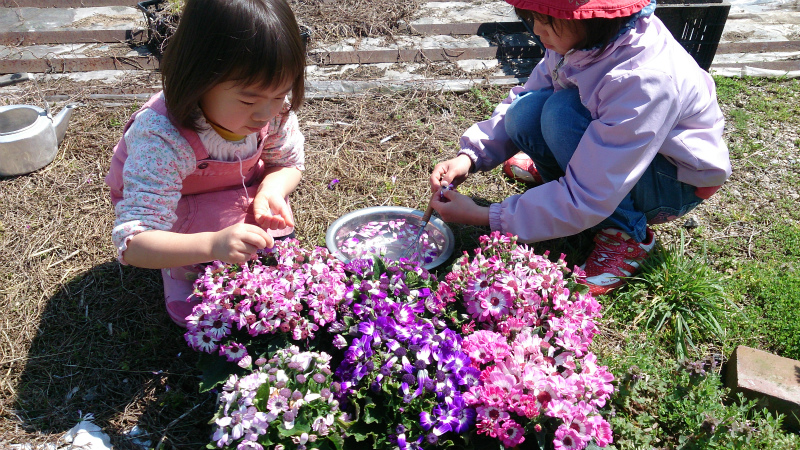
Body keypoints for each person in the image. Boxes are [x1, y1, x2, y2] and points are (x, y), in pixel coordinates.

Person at [429, 0, 731, 296]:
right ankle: (562, 184)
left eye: (546, 21)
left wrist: (487, 216)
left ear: (593, 21)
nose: (536, 30)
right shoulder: (584, 41)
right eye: (534, 17)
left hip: (673, 182)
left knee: (561, 115)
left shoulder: (645, 80)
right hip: (620, 156)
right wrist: (470, 156)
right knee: (525, 113)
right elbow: (530, 94)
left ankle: (626, 234)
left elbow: (592, 193)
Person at [105, 0, 307, 326]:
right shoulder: (162, 137)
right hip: (176, 204)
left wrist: (271, 189)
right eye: (248, 99)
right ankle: (183, 267)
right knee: (211, 261)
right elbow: (134, 243)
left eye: (280, 94)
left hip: (239, 186)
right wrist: (211, 244)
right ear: (198, 76)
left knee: (270, 239)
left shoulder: (275, 110)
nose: (265, 113)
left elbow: (287, 163)